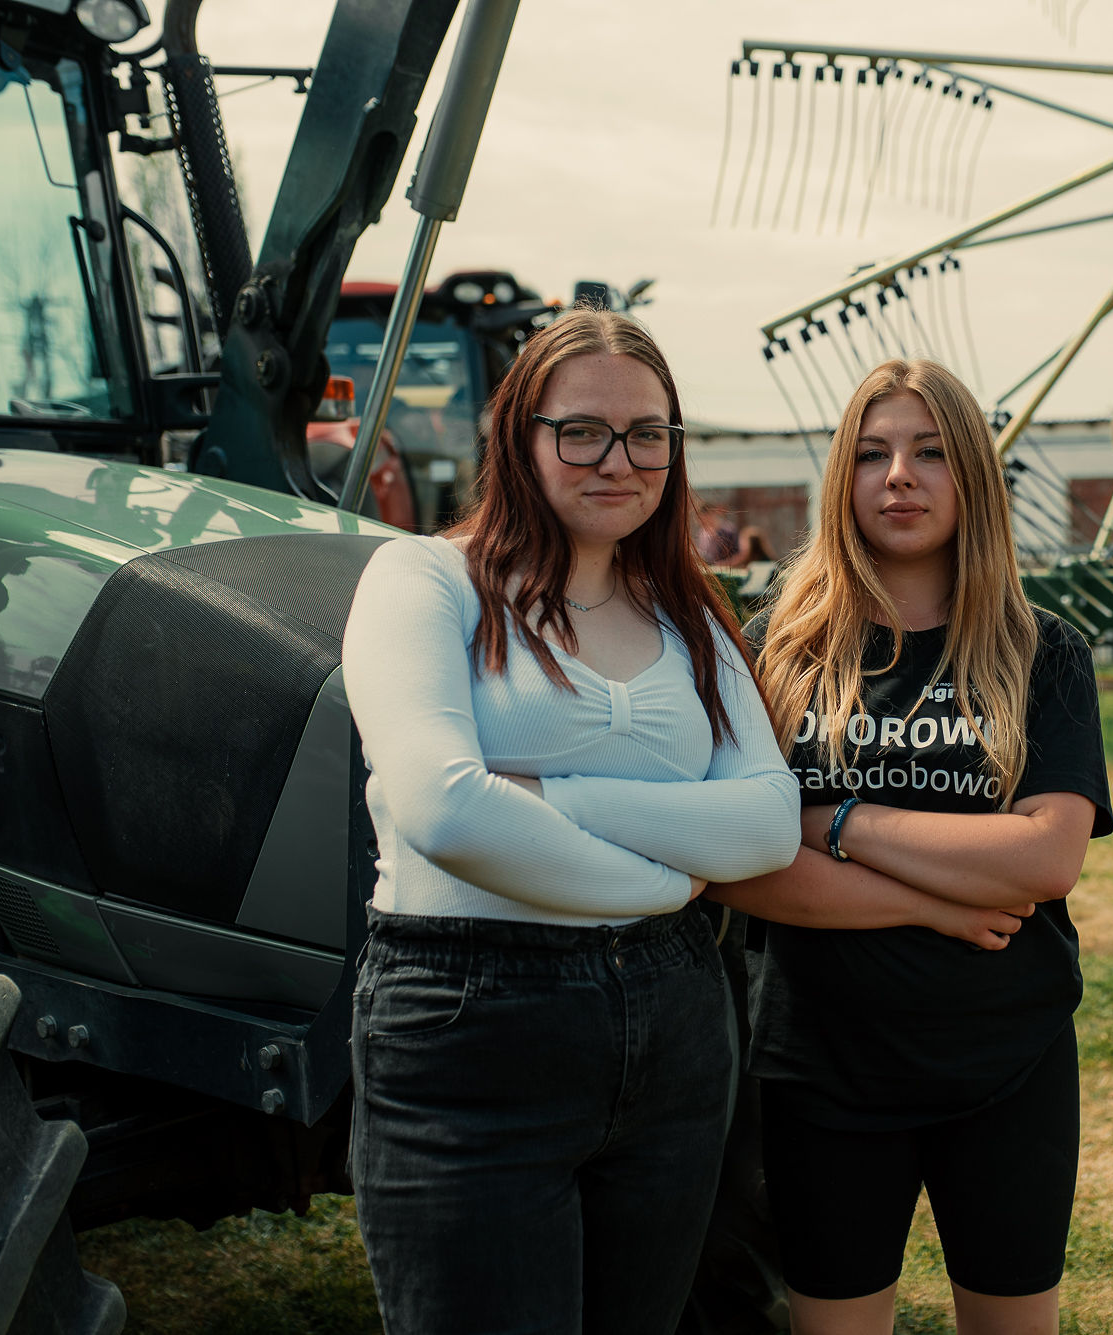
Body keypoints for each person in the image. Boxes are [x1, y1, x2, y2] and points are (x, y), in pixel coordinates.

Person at [340, 308, 801, 1335]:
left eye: (647, 434)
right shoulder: (425, 581)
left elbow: (769, 824)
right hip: (473, 1023)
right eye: (582, 431)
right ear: (521, 433)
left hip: (675, 1026)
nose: (619, 461)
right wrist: (667, 881)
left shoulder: (690, 613)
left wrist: (553, 797)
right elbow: (445, 812)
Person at [708, 358, 1113, 1335]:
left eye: (930, 452)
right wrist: (940, 898)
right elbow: (743, 868)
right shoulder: (779, 650)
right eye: (872, 453)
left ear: (970, 474)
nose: (899, 476)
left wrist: (836, 822)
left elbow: (1045, 860)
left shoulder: (1039, 650)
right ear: (841, 478)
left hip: (1005, 1059)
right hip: (819, 1064)